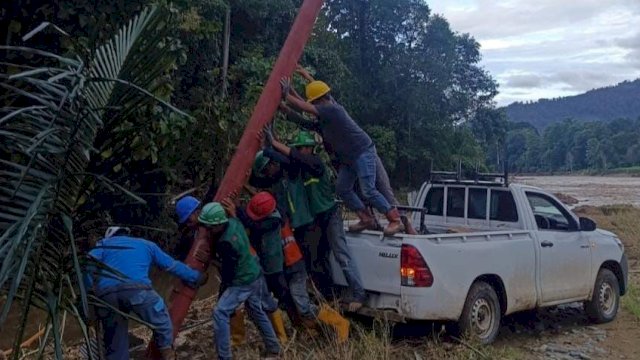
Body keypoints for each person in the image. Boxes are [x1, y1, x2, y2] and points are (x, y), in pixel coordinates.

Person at [280, 75, 404, 236]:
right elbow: (305, 120)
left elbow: (305, 108)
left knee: (368, 190)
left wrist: (286, 95)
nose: (313, 107)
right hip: (349, 159)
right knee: (342, 188)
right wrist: (286, 107)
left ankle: (395, 220)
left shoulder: (333, 110)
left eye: (314, 103)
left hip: (362, 152)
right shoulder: (324, 120)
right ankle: (366, 218)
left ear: (320, 101)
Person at [268, 130, 367, 311]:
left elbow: (296, 157)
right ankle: (331, 296)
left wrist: (275, 144)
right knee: (321, 257)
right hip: (317, 219)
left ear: (309, 149)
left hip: (330, 214)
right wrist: (270, 149)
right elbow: (286, 161)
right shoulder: (300, 168)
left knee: (341, 254)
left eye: (302, 148)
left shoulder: (316, 163)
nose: (300, 151)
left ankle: (358, 292)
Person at [86, 226, 205, 360]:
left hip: (106, 296)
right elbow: (171, 265)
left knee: (115, 342)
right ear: (128, 234)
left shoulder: (103, 245)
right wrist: (196, 277)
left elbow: (88, 267)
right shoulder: (145, 244)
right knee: (162, 321)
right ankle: (167, 353)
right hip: (136, 290)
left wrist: (90, 292)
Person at [198, 202, 281, 360]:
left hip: (243, 280)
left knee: (220, 312)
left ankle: (224, 356)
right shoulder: (233, 221)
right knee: (255, 311)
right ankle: (274, 348)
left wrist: (209, 260)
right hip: (254, 272)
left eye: (210, 227)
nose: (208, 230)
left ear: (218, 224)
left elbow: (229, 272)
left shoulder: (225, 243)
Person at [227, 192, 291, 343]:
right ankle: (278, 336)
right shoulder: (270, 215)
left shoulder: (272, 221)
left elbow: (251, 226)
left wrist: (235, 214)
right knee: (262, 302)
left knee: (273, 299)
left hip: (270, 268)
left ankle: (283, 337)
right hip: (262, 265)